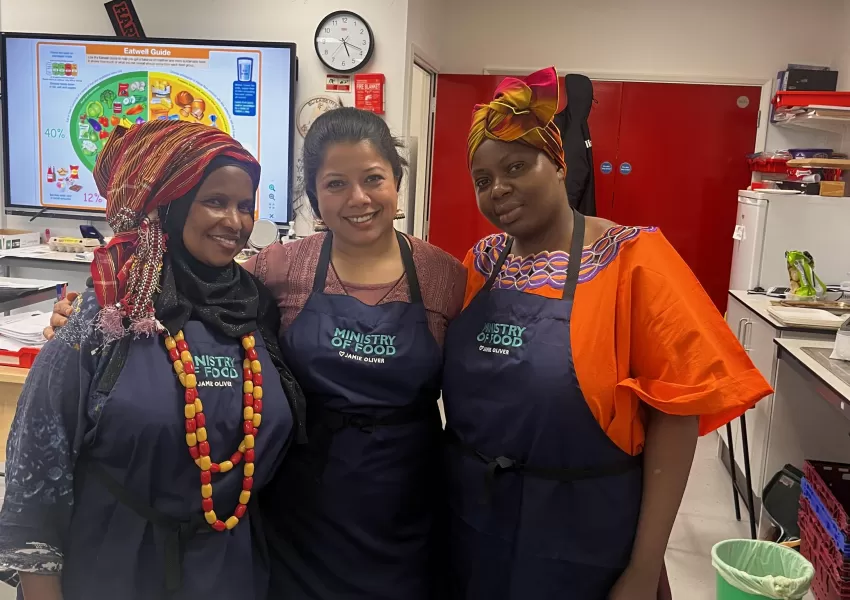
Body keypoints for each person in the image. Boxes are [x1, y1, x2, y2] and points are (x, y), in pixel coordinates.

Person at [46, 107, 467, 599]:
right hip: (300, 508)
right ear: (314, 198)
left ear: (396, 182)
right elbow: (198, 295)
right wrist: (86, 315)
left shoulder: (445, 276)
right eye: (335, 184)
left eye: (374, 178)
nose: (359, 198)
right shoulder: (277, 268)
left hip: (407, 502)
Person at [442, 67, 773, 600]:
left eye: (516, 166)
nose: (498, 188)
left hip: (585, 536)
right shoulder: (482, 263)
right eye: (483, 180)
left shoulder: (631, 259)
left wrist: (644, 568)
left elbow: (676, 416)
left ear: (559, 164)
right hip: (474, 525)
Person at [2, 120, 304, 600]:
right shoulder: (107, 316)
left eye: (246, 206)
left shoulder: (258, 310)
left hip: (229, 572)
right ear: (168, 203)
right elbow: (35, 480)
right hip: (113, 568)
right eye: (215, 201)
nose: (236, 222)